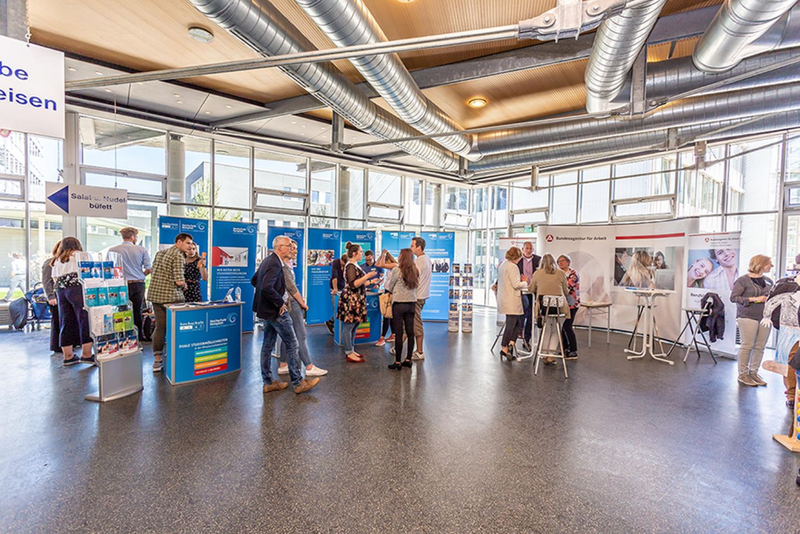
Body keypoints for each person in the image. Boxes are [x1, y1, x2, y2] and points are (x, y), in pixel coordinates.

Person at [252, 236, 320, 394]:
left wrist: (267, 296)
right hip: (276, 311)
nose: (291, 248)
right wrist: (280, 302)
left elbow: (255, 281)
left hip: (267, 309)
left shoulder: (268, 260)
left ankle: (268, 382)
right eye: (289, 245)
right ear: (280, 247)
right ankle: (298, 383)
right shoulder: (275, 263)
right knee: (293, 343)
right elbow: (267, 286)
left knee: (268, 345)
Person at [277, 239, 328, 377]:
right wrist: (302, 303)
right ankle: (309, 367)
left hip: (290, 302)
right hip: (291, 303)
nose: (295, 251)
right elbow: (291, 288)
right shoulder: (282, 266)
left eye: (295, 248)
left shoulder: (288, 264)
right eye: (292, 248)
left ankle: (283, 364)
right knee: (301, 335)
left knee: (288, 335)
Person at [147, 233, 194, 373]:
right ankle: (177, 356)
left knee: (160, 327)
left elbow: (153, 272)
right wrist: (185, 285)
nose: (190, 246)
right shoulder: (178, 256)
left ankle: (157, 360)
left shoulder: (160, 253)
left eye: (191, 243)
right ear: (178, 242)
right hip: (172, 298)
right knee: (177, 328)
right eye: (188, 243)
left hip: (156, 296)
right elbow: (179, 281)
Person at [730, 254, 774, 387]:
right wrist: (754, 299)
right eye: (769, 264)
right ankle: (743, 374)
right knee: (747, 345)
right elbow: (734, 298)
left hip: (765, 318)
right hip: (747, 316)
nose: (771, 266)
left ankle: (753, 372)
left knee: (760, 346)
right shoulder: (742, 280)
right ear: (760, 264)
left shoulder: (768, 281)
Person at [50, 238, 94, 366]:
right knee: (84, 319)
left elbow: (54, 278)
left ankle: (68, 356)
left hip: (61, 290)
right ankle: (87, 354)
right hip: (77, 288)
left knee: (65, 321)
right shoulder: (82, 255)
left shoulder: (57, 260)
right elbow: (90, 272)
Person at [761, 274, 800, 407]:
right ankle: (791, 394)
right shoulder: (788, 292)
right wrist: (766, 316)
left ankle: (793, 394)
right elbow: (773, 301)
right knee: (790, 360)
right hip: (790, 328)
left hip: (792, 327)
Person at [108, 227, 152, 340]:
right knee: (137, 310)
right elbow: (149, 268)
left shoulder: (112, 250)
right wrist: (141, 275)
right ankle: (138, 338)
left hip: (121, 285)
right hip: (138, 283)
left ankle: (123, 335)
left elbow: (109, 269)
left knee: (121, 310)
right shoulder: (141, 250)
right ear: (132, 237)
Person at [338, 242, 377, 363]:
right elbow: (353, 284)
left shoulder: (355, 265)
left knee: (354, 325)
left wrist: (370, 281)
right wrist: (368, 276)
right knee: (348, 326)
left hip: (357, 299)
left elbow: (360, 283)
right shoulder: (350, 266)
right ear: (354, 253)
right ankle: (348, 352)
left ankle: (351, 349)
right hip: (351, 299)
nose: (362, 254)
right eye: (360, 252)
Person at [528, 253, 570, 365]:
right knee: (556, 330)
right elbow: (566, 291)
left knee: (546, 330)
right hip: (560, 308)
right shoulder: (561, 274)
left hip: (543, 309)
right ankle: (551, 355)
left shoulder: (537, 273)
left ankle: (544, 353)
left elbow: (531, 289)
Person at [385, 248, 419, 370]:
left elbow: (390, 285)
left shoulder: (396, 270)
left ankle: (398, 361)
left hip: (399, 304)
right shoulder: (415, 270)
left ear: (402, 257)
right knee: (410, 333)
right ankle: (408, 359)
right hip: (411, 304)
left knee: (398, 333)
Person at [496, 247, 529, 361]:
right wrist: (525, 281)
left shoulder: (503, 265)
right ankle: (504, 347)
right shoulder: (513, 266)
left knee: (516, 324)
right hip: (512, 300)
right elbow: (516, 284)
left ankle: (510, 345)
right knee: (513, 325)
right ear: (518, 256)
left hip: (505, 298)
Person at [410, 236, 432, 360]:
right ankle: (397, 347)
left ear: (419, 247)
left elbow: (412, 278)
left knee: (416, 324)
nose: (410, 248)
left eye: (412, 245)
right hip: (421, 295)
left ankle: (419, 351)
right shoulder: (426, 259)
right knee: (408, 323)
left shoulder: (420, 261)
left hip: (417, 297)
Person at [518, 242, 541, 351]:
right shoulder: (518, 260)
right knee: (525, 308)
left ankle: (527, 339)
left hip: (534, 290)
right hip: (521, 290)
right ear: (523, 249)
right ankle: (520, 329)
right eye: (527, 248)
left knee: (531, 315)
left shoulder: (538, 260)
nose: (528, 250)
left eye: (530, 248)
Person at [557, 254, 580, 360]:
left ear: (568, 262)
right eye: (558, 261)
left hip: (572, 304)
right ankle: (564, 348)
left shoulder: (573, 274)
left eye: (562, 261)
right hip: (562, 303)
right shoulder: (558, 274)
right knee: (561, 327)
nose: (560, 263)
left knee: (567, 326)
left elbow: (568, 287)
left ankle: (573, 350)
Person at [41, 241, 61, 353]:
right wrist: (50, 296)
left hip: (62, 296)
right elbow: (46, 281)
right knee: (57, 321)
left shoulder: (63, 263)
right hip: (54, 297)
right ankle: (56, 346)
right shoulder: (50, 262)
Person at [375, 250, 396, 347]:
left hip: (391, 293)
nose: (385, 264)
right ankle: (393, 334)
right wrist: (381, 255)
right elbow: (377, 264)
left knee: (387, 316)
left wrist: (383, 255)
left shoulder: (395, 265)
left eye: (386, 261)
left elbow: (381, 265)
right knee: (389, 314)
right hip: (387, 291)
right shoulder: (390, 268)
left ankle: (382, 337)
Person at [326, 254, 347, 335]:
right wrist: (335, 289)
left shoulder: (347, 264)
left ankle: (331, 321)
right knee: (336, 308)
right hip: (335, 287)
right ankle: (335, 326)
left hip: (343, 287)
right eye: (343, 264)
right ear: (341, 260)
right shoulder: (335, 262)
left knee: (343, 308)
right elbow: (334, 276)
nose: (343, 265)